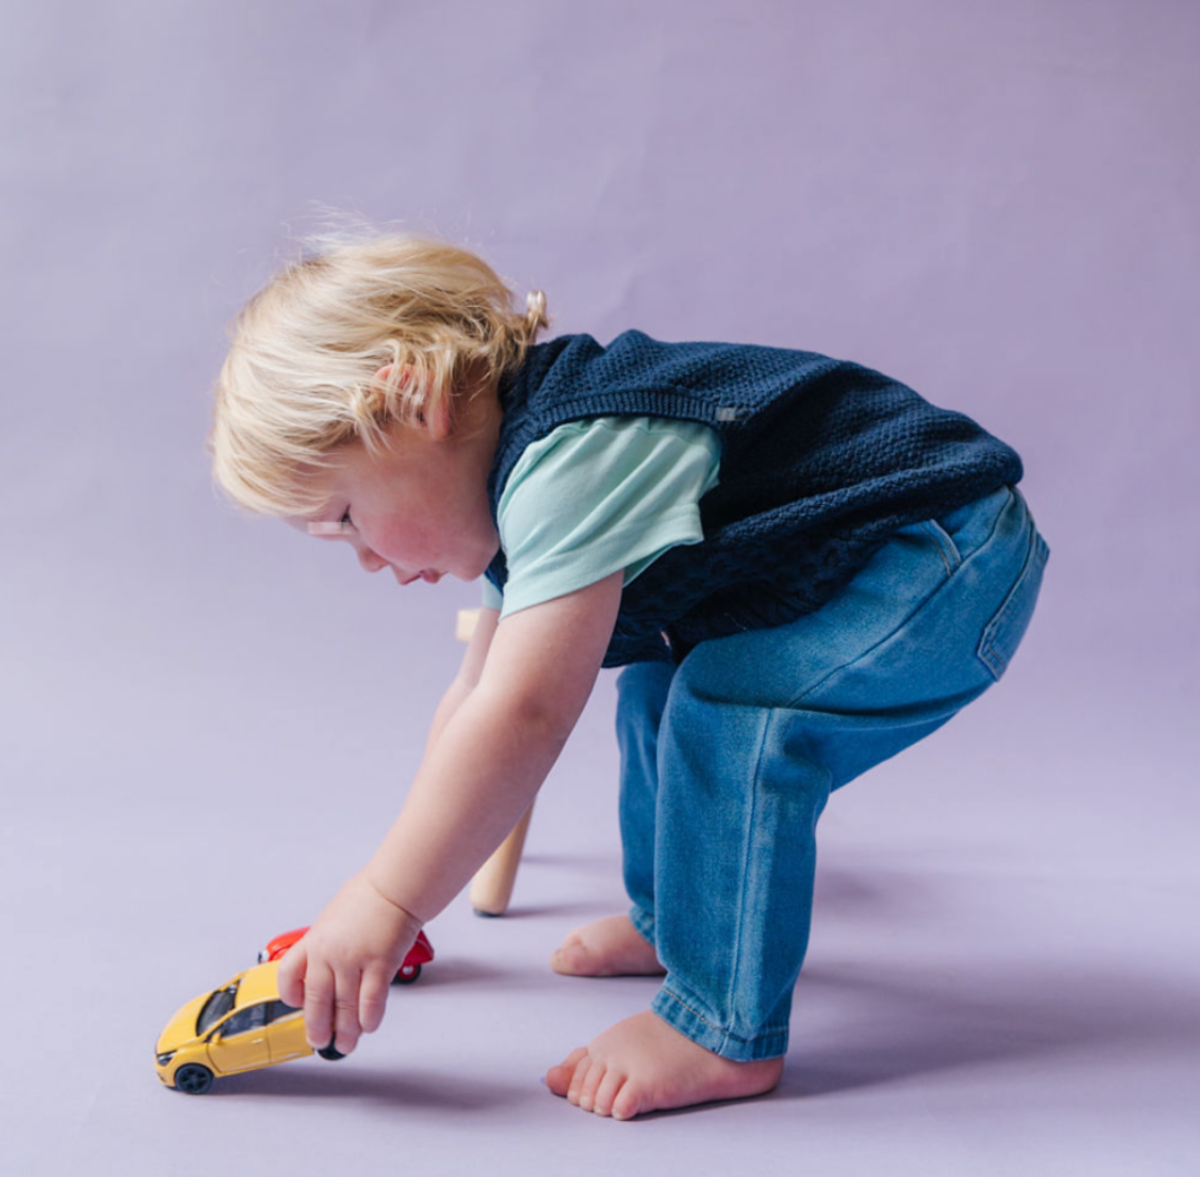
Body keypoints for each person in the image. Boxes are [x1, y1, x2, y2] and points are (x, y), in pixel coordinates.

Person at [209, 230, 1049, 1120]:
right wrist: (383, 889)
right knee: (653, 686)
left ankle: (719, 1027)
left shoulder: (573, 460)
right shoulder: (516, 487)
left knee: (734, 715)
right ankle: (678, 921)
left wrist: (388, 899)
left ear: (413, 402)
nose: (367, 560)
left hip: (947, 550)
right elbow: (476, 701)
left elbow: (524, 714)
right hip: (868, 558)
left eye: (346, 516)